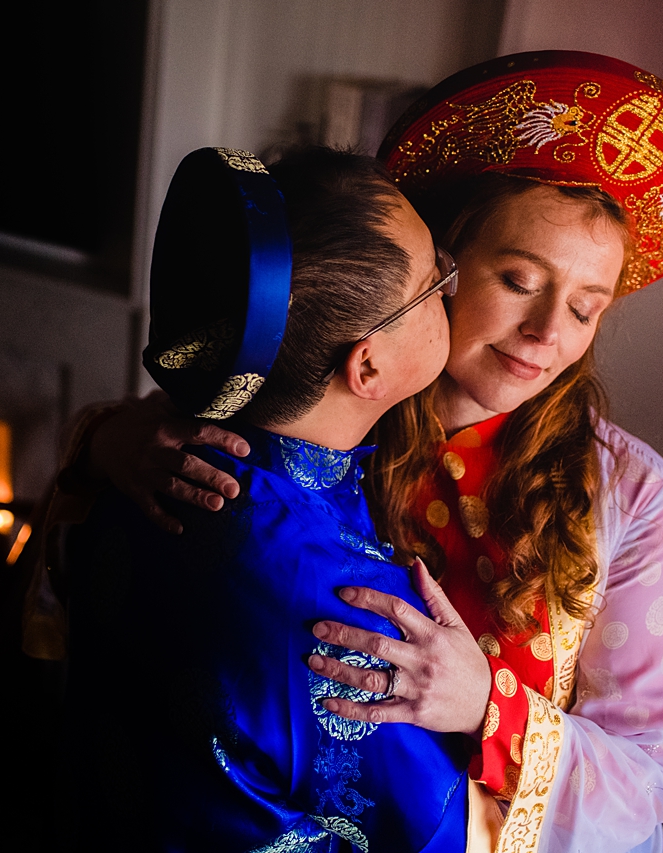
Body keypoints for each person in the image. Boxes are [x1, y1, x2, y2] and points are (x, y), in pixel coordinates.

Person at [80, 52, 663, 853]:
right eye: (519, 280)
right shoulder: (328, 396)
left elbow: (653, 781)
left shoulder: (631, 493)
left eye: (587, 309)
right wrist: (116, 437)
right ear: (444, 267)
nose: (549, 334)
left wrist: (489, 704)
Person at [62, 146, 471, 851]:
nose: (451, 291)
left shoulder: (150, 457)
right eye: (435, 281)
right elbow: (440, 829)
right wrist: (490, 703)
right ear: (366, 363)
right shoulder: (352, 612)